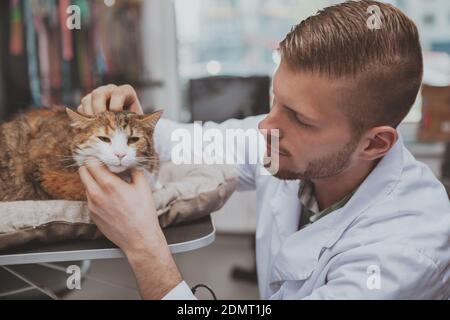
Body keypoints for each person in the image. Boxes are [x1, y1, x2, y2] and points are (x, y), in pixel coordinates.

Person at [77, 0, 450, 299]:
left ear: (375, 143)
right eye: (275, 100)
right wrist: (133, 124)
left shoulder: (404, 253)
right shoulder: (285, 141)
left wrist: (144, 248)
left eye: (300, 119)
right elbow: (191, 143)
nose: (265, 127)